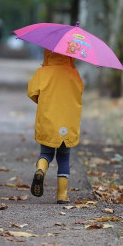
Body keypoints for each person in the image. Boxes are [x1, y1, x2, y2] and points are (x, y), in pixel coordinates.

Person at [27, 49, 84, 204]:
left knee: (46, 153)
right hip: (68, 122)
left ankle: (41, 170)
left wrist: (42, 101)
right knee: (64, 157)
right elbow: (80, 92)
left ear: (48, 54)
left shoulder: (43, 72)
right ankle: (62, 195)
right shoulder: (74, 73)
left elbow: (31, 92)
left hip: (48, 120)